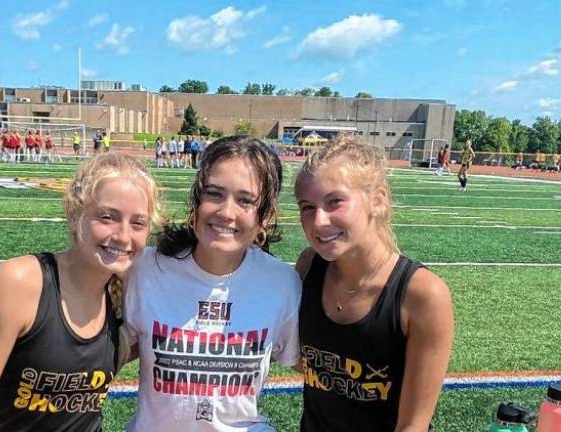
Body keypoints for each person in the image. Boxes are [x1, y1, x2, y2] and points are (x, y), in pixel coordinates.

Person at [0, 153, 161, 432]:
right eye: (107, 217)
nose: (123, 235)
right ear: (74, 216)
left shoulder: (128, 295)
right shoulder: (21, 282)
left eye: (138, 223)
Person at [123, 136, 301, 431]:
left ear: (265, 217)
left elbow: (321, 369)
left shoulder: (282, 284)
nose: (226, 212)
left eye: (245, 200)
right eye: (215, 194)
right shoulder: (145, 270)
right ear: (196, 201)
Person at [294, 136, 454, 432]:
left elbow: (412, 426)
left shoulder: (422, 294)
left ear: (377, 200)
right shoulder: (309, 267)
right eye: (307, 207)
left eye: (334, 202)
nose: (318, 221)